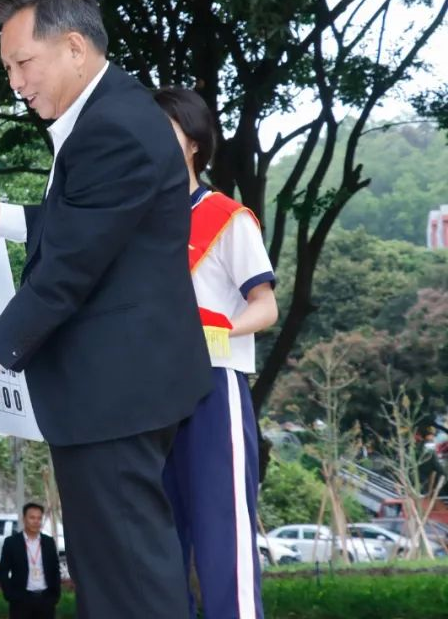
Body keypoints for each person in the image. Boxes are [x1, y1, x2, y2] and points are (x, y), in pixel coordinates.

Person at [0, 0, 213, 618]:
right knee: (115, 572)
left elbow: (68, 271)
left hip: (115, 394)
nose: (15, 83)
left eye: (23, 63)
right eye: (8, 69)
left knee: (130, 580)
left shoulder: (111, 128)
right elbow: (88, 221)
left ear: (74, 46)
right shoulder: (114, 112)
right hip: (122, 390)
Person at [155, 87, 278, 619]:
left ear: (193, 143)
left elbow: (265, 305)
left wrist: (219, 334)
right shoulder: (137, 220)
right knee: (160, 541)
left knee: (222, 532)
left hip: (212, 385)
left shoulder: (226, 217)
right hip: (149, 393)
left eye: (163, 129)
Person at [0, 503, 62, 619]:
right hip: (21, 600)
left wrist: (55, 596)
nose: (36, 521)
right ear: (24, 519)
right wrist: (10, 595)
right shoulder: (11, 543)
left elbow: (55, 569)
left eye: (39, 518)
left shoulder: (48, 542)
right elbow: (3, 571)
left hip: (45, 599)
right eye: (32, 518)